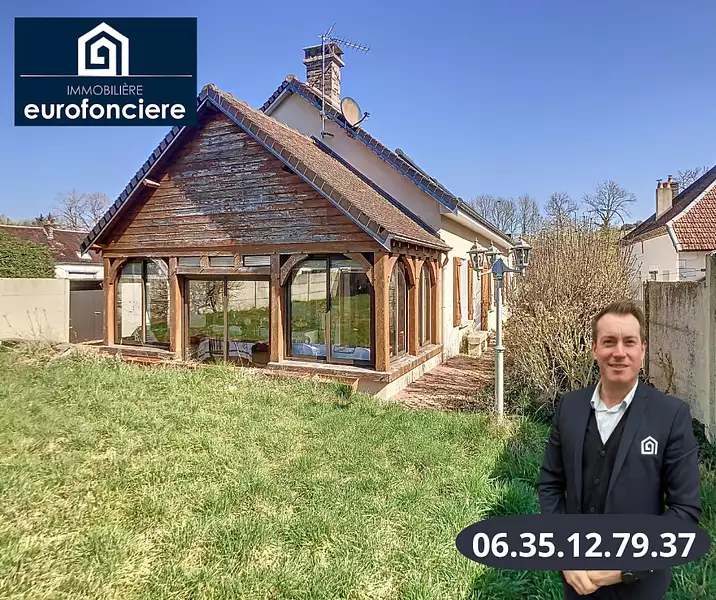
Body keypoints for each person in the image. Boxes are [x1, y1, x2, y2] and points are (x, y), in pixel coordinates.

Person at [538, 300, 701, 599]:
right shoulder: (570, 407)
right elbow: (550, 484)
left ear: (643, 349)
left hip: (639, 587)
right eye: (609, 341)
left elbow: (685, 511)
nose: (619, 352)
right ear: (594, 349)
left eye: (629, 342)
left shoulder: (671, 416)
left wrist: (623, 568)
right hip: (577, 584)